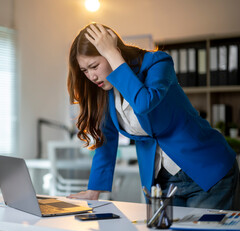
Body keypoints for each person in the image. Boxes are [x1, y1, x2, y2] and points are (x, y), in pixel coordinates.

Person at [66, 23, 240, 210]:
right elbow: (105, 140)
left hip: (206, 169)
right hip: (163, 181)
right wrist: (94, 190)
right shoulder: (105, 92)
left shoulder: (157, 63)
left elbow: (144, 103)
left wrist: (112, 53)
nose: (91, 76)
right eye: (85, 71)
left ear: (112, 53)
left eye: (94, 66)